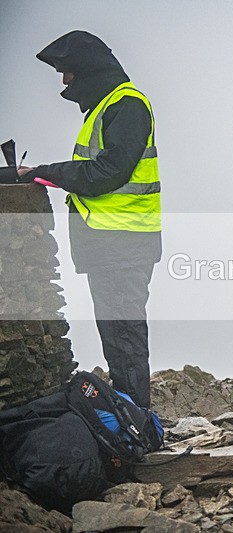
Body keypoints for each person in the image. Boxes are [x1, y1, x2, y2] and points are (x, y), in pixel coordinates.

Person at [18, 31, 161, 408]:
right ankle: (133, 420)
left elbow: (107, 173)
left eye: (68, 72)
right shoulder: (107, 106)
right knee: (117, 337)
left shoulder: (126, 105)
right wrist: (39, 173)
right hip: (111, 242)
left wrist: (45, 170)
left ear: (88, 70)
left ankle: (136, 425)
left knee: (124, 337)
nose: (65, 81)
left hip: (123, 242)